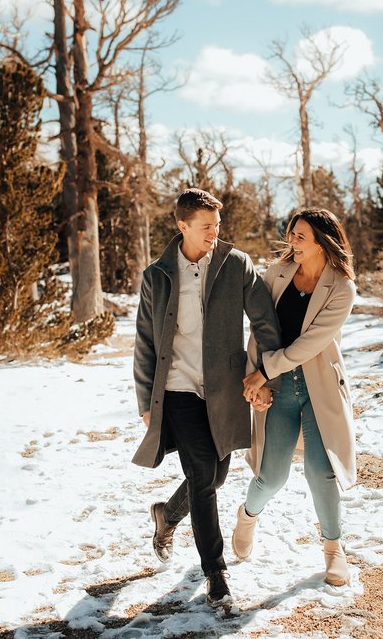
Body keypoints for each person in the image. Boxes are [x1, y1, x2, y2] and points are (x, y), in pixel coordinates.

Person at [132, 188, 281, 607]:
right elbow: (144, 341)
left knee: (214, 476)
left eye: (218, 225)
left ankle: (167, 515)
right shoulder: (157, 275)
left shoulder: (236, 264)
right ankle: (216, 572)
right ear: (182, 226)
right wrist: (146, 401)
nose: (215, 233)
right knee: (203, 476)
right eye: (206, 226)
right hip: (176, 388)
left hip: (223, 389)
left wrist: (265, 372)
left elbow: (264, 321)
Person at [233, 208, 357, 587]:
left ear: (322, 240)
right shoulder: (277, 273)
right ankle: (247, 516)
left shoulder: (342, 287)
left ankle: (334, 551)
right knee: (271, 476)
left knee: (322, 471)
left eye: (300, 236)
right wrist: (257, 381)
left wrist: (266, 369)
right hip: (278, 386)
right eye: (291, 234)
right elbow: (261, 328)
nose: (292, 242)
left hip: (320, 388)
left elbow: (312, 343)